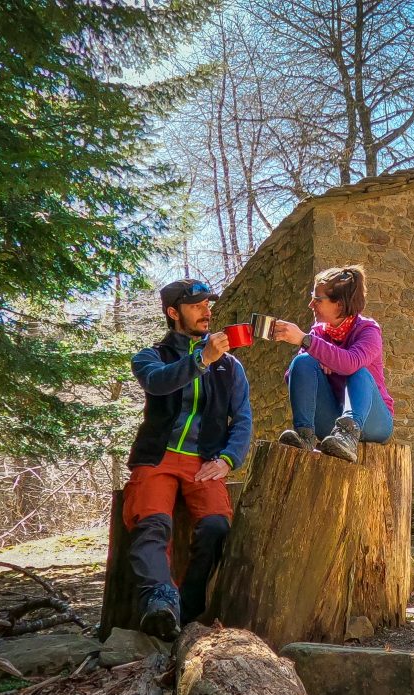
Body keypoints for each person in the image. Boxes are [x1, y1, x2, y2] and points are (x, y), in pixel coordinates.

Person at [123, 278, 252, 641]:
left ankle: (188, 606)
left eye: (208, 304)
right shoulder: (151, 357)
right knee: (152, 526)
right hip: (157, 458)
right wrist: (200, 359)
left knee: (216, 528)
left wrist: (228, 459)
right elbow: (159, 383)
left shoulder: (230, 367)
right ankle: (160, 601)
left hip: (205, 460)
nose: (207, 311)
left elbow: (242, 419)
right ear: (173, 312)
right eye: (197, 305)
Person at [272, 265, 394, 462]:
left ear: (339, 304)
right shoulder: (318, 333)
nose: (311, 305)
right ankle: (305, 435)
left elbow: (350, 364)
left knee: (359, 372)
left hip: (373, 423)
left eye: (318, 300)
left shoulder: (368, 331)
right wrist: (321, 357)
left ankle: (348, 435)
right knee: (302, 361)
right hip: (330, 422)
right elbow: (294, 376)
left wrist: (309, 343)